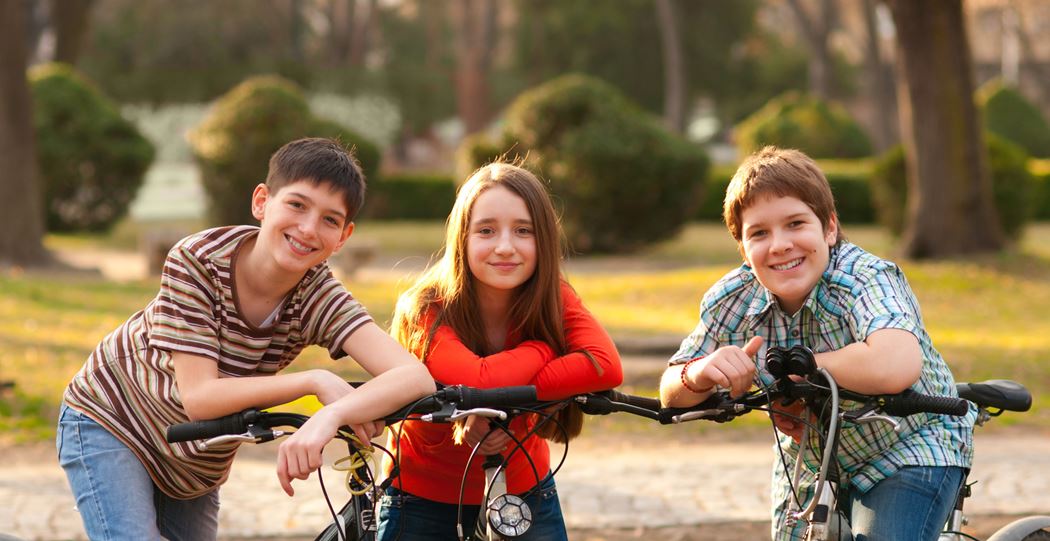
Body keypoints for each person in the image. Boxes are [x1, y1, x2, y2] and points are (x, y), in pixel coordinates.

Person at [57, 137, 436, 541]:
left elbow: (415, 378)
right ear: (262, 202)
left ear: (343, 236)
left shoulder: (317, 294)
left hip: (196, 458)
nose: (308, 228)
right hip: (114, 420)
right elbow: (200, 397)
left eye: (330, 219)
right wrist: (314, 381)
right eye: (297, 205)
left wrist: (333, 415)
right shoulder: (198, 260)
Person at [659, 146, 975, 541]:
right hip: (811, 460)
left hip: (909, 445)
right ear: (743, 248)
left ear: (829, 228)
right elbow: (671, 391)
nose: (779, 245)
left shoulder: (865, 278)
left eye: (795, 224)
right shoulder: (732, 300)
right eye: (759, 233)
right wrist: (699, 373)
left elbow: (896, 364)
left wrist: (805, 368)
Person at [374, 161, 623, 541]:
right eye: (486, 230)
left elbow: (606, 366)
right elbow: (479, 380)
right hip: (421, 499)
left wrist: (513, 412)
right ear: (462, 238)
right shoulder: (425, 307)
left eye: (523, 230)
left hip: (525, 491)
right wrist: (543, 350)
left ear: (544, 239)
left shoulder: (554, 298)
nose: (505, 247)